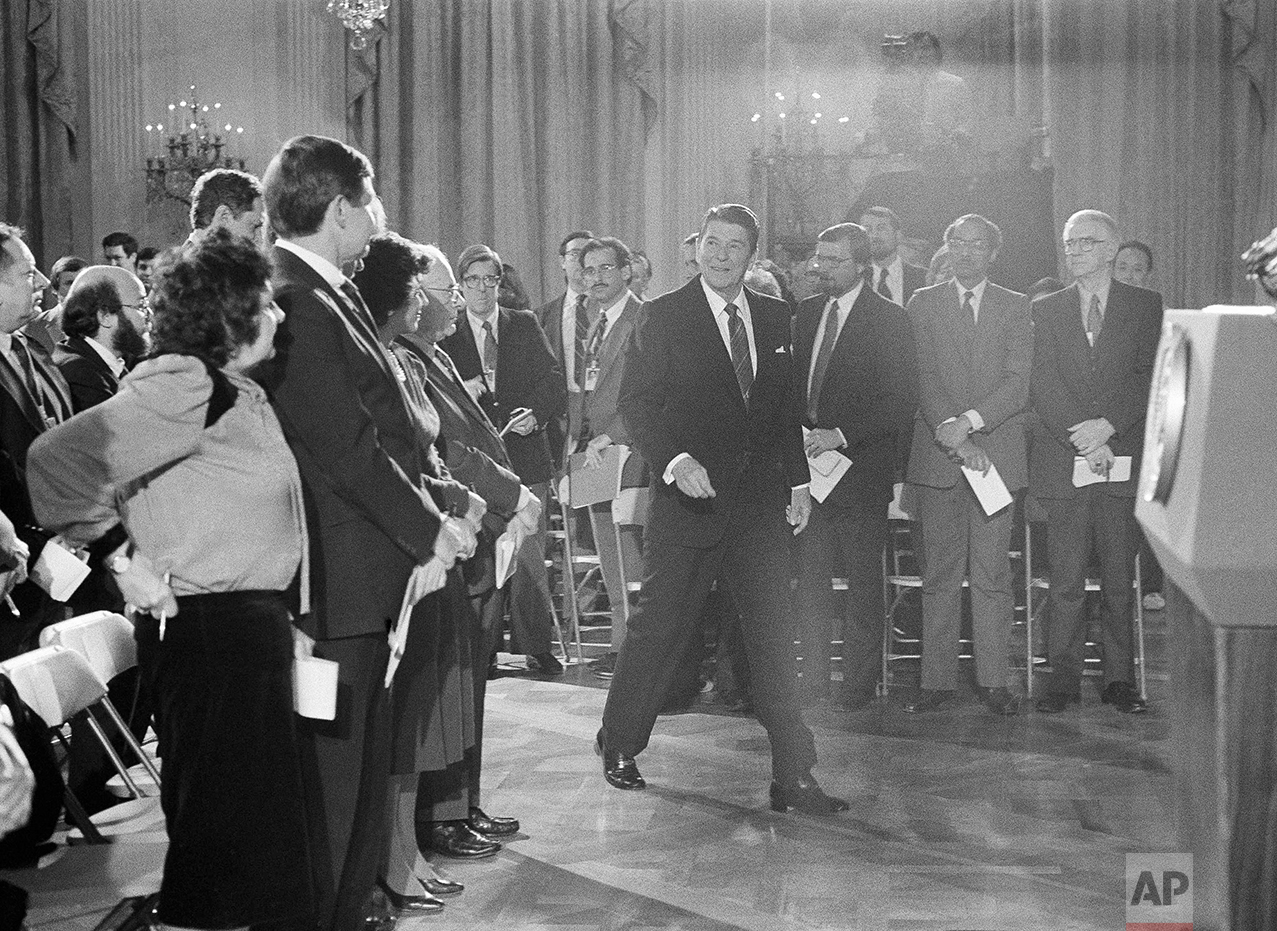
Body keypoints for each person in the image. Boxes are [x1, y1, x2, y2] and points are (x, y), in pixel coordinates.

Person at [27, 229, 316, 931]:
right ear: (229, 313)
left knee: (245, 832)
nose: (279, 316)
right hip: (210, 634)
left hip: (245, 630)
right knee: (217, 840)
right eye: (266, 304)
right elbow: (54, 463)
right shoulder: (187, 380)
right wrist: (125, 562)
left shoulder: (236, 388)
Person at [255, 134, 470, 931]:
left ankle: (352, 907)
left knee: (360, 769)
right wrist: (430, 530)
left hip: (365, 572)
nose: (379, 218)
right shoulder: (298, 298)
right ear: (341, 209)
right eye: (371, 200)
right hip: (336, 581)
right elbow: (347, 448)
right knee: (335, 780)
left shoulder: (328, 290)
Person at [599, 203, 845, 815]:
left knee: (770, 638)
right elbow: (638, 403)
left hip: (760, 509)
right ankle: (620, 743)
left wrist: (797, 486)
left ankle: (795, 774)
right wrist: (676, 462)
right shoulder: (663, 316)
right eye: (713, 242)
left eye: (735, 245)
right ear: (699, 246)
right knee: (659, 626)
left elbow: (786, 412)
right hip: (690, 504)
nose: (721, 254)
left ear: (751, 255)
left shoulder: (774, 315)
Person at [395, 243, 542, 862]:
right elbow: (451, 451)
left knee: (469, 680)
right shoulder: (408, 361)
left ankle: (461, 803)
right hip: (460, 531)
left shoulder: (433, 357)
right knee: (449, 684)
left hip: (482, 534)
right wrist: (511, 493)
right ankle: (442, 814)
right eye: (447, 290)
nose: (457, 301)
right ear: (413, 298)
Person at [355, 232, 488, 911]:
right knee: (398, 717)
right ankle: (392, 858)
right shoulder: (376, 360)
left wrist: (454, 502)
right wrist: (451, 504)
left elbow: (422, 456)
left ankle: (404, 851)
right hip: (393, 553)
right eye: (416, 289)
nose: (425, 300)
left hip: (426, 543)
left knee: (413, 713)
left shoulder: (397, 359)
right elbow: (387, 463)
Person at [1030, 210, 1162, 716]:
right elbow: (1041, 382)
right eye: (1069, 242)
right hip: (1068, 457)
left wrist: (1108, 426)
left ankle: (1119, 679)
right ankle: (1060, 679)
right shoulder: (1047, 309)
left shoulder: (1146, 306)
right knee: (1063, 577)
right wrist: (1085, 437)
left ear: (1111, 250)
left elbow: (1149, 375)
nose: (1075, 250)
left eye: (1086, 242)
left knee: (1117, 577)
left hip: (1121, 452)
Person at [903, 214, 1033, 716]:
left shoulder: (1015, 306)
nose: (965, 251)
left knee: (992, 574)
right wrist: (954, 434)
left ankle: (994, 681)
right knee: (939, 572)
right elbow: (922, 377)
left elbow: (1018, 382)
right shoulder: (923, 303)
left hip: (995, 457)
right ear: (947, 247)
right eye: (956, 242)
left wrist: (971, 423)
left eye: (976, 244)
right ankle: (936, 681)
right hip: (938, 457)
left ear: (993, 252)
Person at [792, 222, 916, 708]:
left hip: (860, 471)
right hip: (807, 473)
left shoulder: (890, 318)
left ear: (862, 264)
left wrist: (841, 435)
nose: (823, 268)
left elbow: (901, 399)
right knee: (812, 582)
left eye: (836, 260)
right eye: (820, 258)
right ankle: (814, 676)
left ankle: (859, 682)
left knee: (865, 583)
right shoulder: (803, 314)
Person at [441, 243, 566, 676]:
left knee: (529, 553)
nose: (481, 289)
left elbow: (553, 379)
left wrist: (537, 413)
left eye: (489, 280)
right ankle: (485, 647)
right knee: (482, 553)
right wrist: (466, 386)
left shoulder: (523, 324)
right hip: (478, 463)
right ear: (460, 286)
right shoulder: (449, 332)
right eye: (472, 281)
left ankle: (537, 645)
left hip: (526, 457)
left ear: (500, 283)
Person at [573, 236, 647, 679]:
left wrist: (614, 435)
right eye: (588, 270)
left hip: (629, 449)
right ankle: (621, 646)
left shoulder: (646, 317)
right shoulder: (591, 320)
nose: (596, 278)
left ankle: (638, 653)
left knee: (630, 555)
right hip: (591, 453)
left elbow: (648, 393)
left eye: (605, 268)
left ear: (626, 272)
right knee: (607, 555)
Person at [0, 223, 72, 661]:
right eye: (28, 274)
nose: (43, 283)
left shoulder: (29, 349)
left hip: (54, 562)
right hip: (11, 562)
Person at [533, 230, 595, 470]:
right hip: (559, 423)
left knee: (596, 501)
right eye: (575, 254)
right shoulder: (541, 317)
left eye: (588, 255)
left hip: (600, 422)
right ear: (561, 261)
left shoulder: (609, 313)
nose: (581, 261)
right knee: (566, 500)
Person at [54, 266, 149, 412]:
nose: (149, 314)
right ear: (105, 316)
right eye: (141, 305)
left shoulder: (108, 362)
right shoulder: (82, 376)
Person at [860, 206, 926, 306]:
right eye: (867, 229)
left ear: (898, 235)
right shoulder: (855, 279)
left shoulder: (923, 278)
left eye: (881, 228)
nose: (873, 235)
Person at [23, 256, 87, 355]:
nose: (77, 288)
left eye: (82, 282)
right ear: (54, 290)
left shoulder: (104, 323)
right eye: (70, 283)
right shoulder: (34, 327)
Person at [187, 168, 266, 244]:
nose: (259, 239)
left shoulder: (186, 256)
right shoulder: (193, 257)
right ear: (224, 216)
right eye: (254, 227)